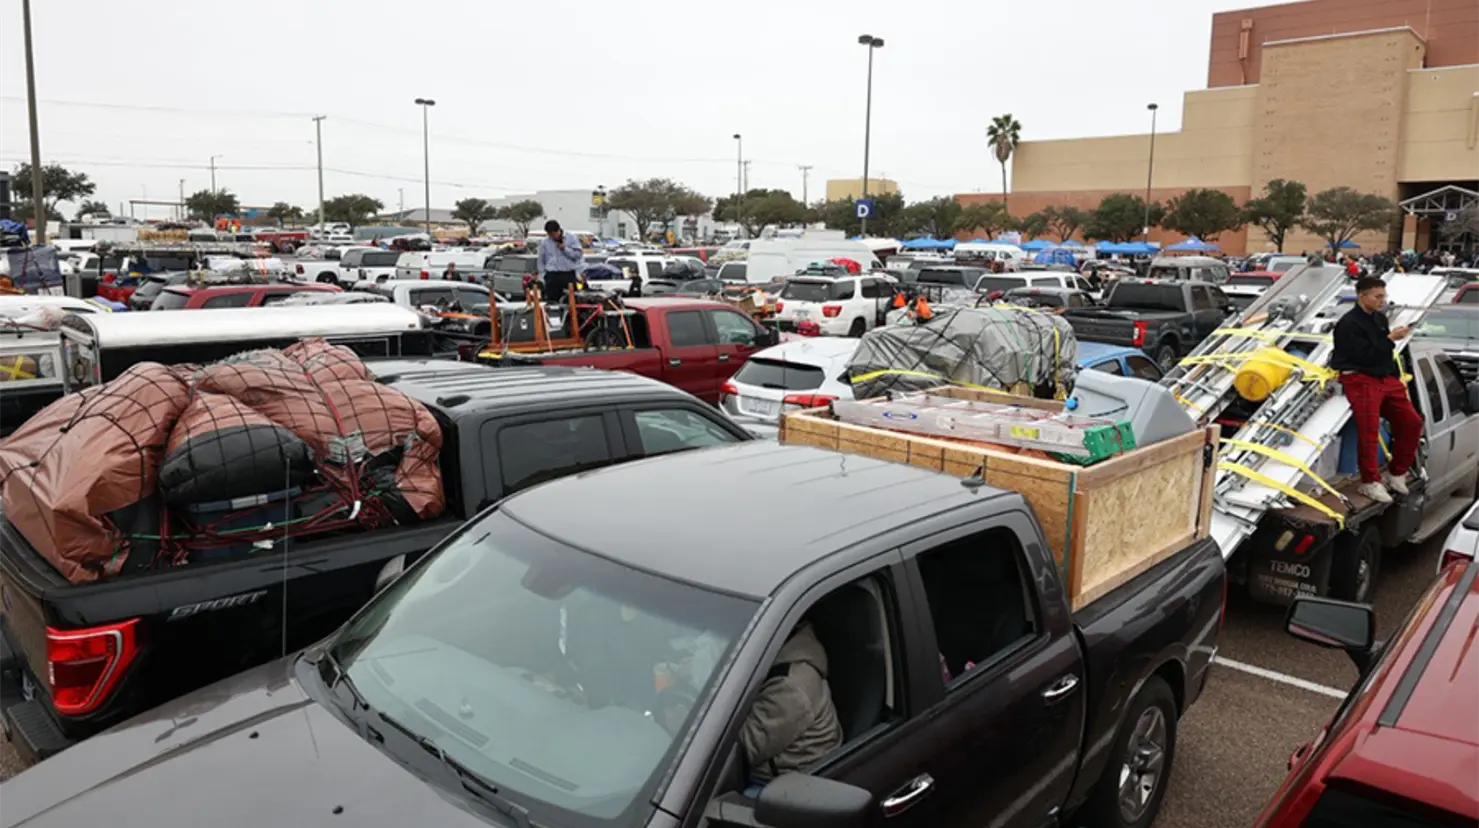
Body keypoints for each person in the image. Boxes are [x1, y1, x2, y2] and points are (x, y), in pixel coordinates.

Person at [1331, 276, 1423, 504]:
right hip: (1359, 377)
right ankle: (1369, 481)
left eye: (1384, 296)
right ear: (1362, 296)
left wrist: (1393, 373)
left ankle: (1397, 472)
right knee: (1369, 430)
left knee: (1412, 422)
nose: (1382, 300)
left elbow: (1383, 352)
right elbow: (1364, 356)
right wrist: (1390, 338)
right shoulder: (1348, 324)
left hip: (1384, 376)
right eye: (1377, 296)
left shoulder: (1380, 318)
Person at [739, 621, 843, 796]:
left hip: (789, 782)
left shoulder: (792, 685)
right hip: (770, 768)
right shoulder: (776, 655)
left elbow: (743, 749)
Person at [538, 220, 584, 303]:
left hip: (568, 275)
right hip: (552, 276)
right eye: (550, 235)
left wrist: (565, 249)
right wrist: (543, 275)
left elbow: (578, 255)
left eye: (554, 234)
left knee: (571, 302)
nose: (552, 237)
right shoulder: (545, 242)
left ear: (559, 230)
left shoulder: (571, 238)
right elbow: (541, 261)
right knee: (552, 302)